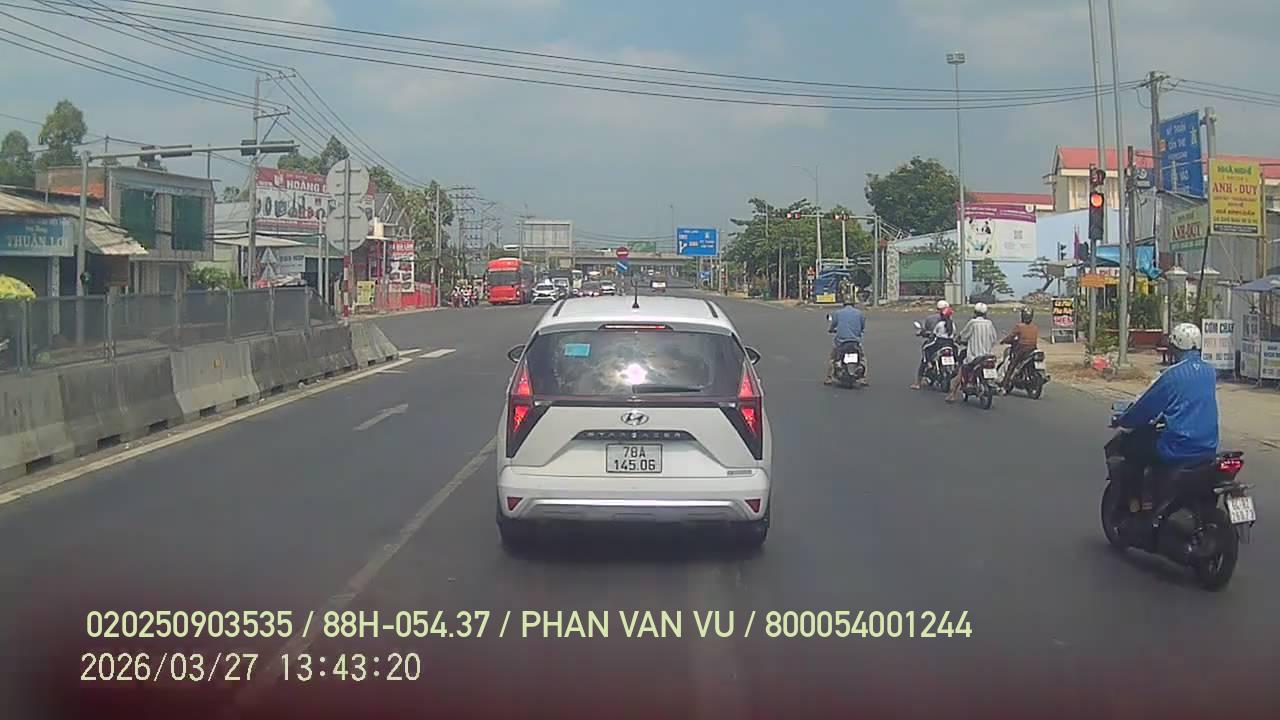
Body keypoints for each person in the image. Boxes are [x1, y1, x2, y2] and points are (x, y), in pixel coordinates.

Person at [1113, 322, 1219, 534]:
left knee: (1131, 448)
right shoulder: (1210, 371)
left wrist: (1124, 420)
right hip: (1208, 445)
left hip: (1178, 446)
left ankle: (1135, 507)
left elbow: (1146, 407)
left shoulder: (1171, 376)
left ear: (1175, 347)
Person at [946, 303, 1000, 402]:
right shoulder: (989, 323)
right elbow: (994, 339)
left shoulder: (973, 323)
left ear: (975, 312)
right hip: (987, 355)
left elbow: (964, 336)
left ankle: (952, 394)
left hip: (974, 355)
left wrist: (959, 340)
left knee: (962, 368)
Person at [824, 294, 867, 385]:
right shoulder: (859, 313)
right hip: (855, 342)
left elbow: (833, 325)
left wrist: (831, 330)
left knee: (833, 358)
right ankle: (863, 378)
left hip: (841, 342)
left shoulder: (838, 313)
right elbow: (862, 327)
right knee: (862, 358)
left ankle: (829, 378)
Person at [911, 302, 954, 390]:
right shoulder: (952, 323)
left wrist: (923, 333)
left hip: (937, 343)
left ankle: (918, 382)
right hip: (950, 344)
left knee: (925, 353)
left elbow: (933, 334)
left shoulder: (934, 320)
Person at [1000, 307, 1041, 393]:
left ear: (1022, 316)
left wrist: (1004, 341)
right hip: (1033, 349)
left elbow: (1011, 336)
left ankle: (1004, 385)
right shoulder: (1035, 327)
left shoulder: (1019, 326)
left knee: (1012, 366)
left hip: (1022, 351)